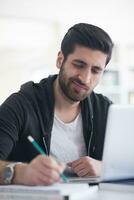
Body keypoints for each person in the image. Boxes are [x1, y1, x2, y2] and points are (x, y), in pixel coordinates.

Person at [0, 23, 113, 186]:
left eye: (95, 70)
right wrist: (21, 172)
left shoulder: (106, 110)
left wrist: (105, 168)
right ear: (60, 60)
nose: (85, 78)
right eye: (79, 65)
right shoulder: (20, 105)